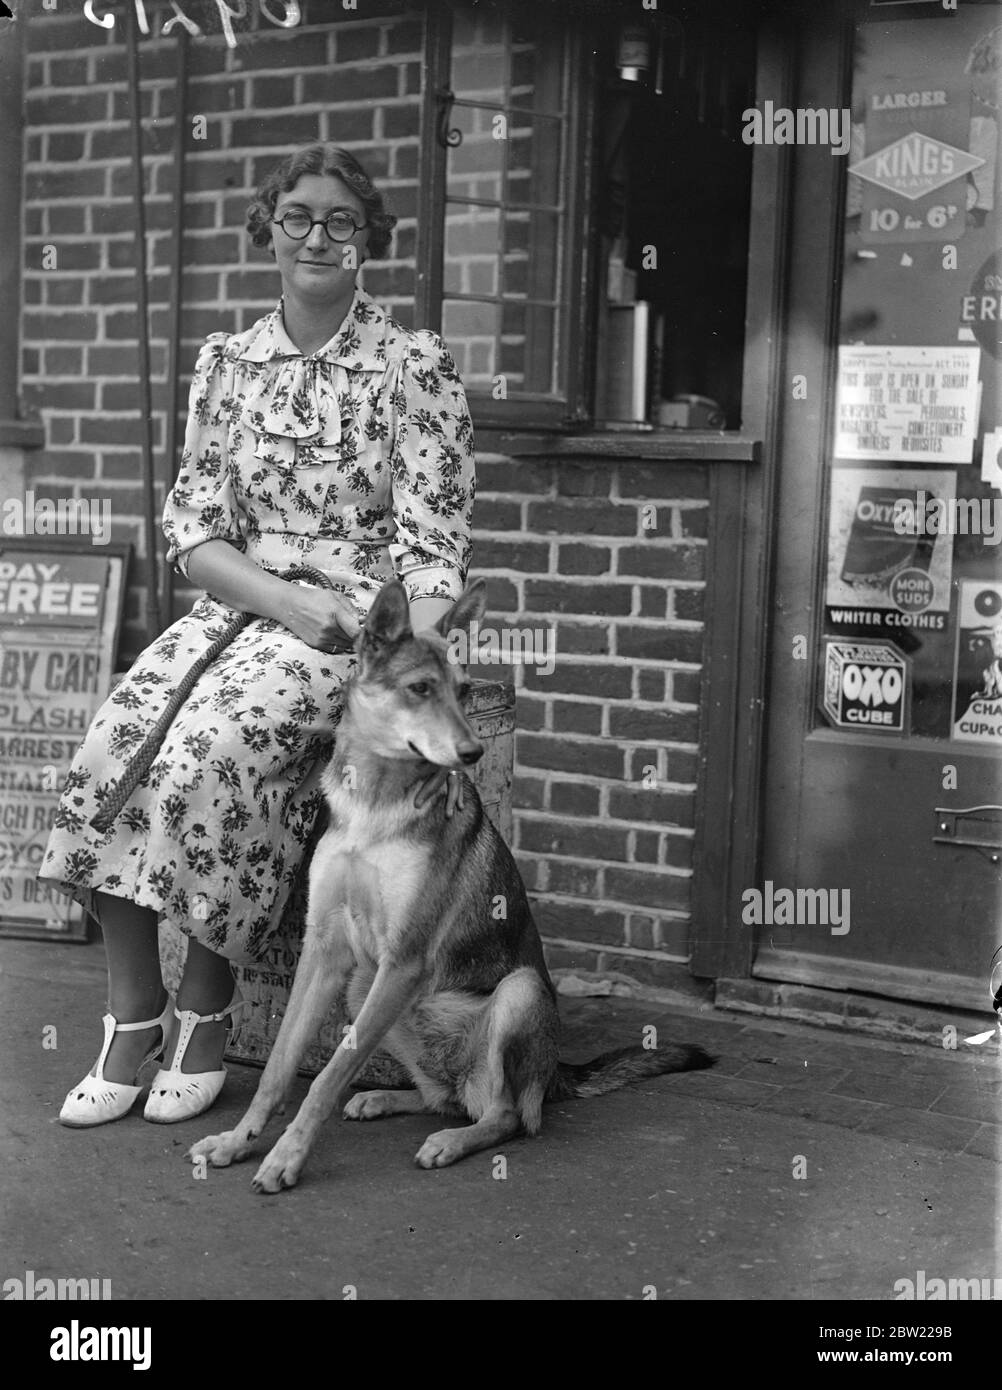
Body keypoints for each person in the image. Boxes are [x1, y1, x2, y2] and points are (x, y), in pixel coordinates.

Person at [38, 143, 476, 1127]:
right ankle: (131, 1018)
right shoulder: (226, 363)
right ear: (268, 231)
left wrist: (397, 663)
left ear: (368, 244)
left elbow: (436, 548)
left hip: (356, 630)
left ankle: (204, 1010)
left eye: (341, 221)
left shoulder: (410, 364)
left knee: (211, 753)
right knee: (108, 748)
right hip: (243, 607)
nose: (317, 236)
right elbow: (192, 530)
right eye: (298, 217)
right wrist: (278, 600)